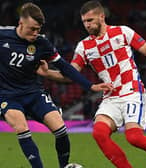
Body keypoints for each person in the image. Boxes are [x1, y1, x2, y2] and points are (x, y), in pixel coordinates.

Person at [38, 1, 146, 167]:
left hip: (131, 92)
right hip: (110, 97)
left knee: (134, 138)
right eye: (84, 21)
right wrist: (46, 72)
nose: (87, 25)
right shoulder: (84, 47)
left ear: (101, 16)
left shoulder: (122, 32)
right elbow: (70, 75)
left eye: (90, 20)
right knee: (99, 133)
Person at [0, 2, 113, 168]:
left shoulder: (42, 43)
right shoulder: (3, 35)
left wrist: (91, 86)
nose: (36, 33)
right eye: (32, 29)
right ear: (21, 23)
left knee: (61, 130)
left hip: (34, 93)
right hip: (8, 96)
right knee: (21, 128)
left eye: (38, 29)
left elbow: (65, 68)